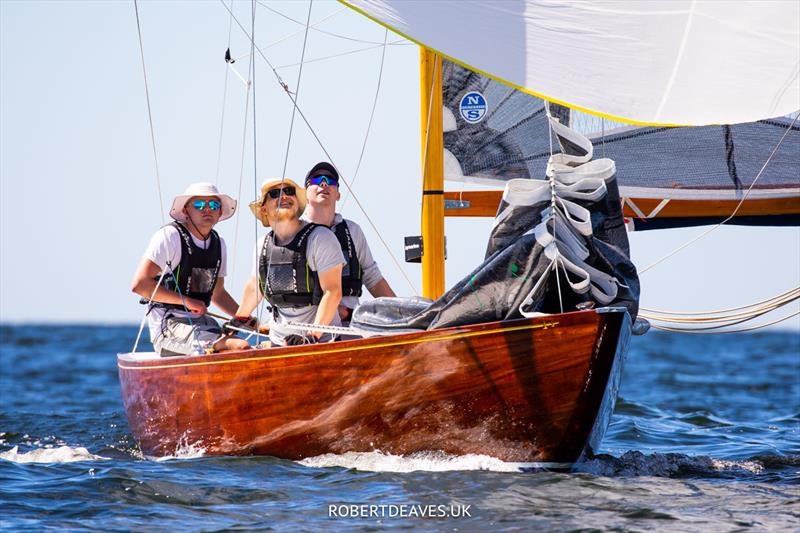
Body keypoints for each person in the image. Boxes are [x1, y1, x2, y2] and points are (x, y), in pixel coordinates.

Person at [131, 183, 251, 356]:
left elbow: (217, 294)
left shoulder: (219, 244)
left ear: (219, 213)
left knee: (258, 345)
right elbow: (139, 285)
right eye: (199, 205)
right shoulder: (170, 237)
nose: (207, 209)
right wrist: (188, 301)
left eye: (214, 205)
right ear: (186, 211)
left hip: (202, 323)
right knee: (238, 346)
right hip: (168, 326)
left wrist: (245, 318)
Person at [236, 178, 345, 346]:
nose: (284, 196)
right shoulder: (262, 245)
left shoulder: (321, 238)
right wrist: (238, 320)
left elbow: (333, 291)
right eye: (274, 194)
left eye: (289, 192)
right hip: (278, 341)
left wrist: (312, 336)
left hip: (321, 343)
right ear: (263, 209)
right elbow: (254, 287)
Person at [302, 162, 396, 324]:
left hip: (349, 326)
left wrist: (401, 313)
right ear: (305, 193)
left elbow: (372, 278)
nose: (324, 183)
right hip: (307, 325)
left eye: (331, 181)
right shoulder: (296, 232)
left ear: (338, 194)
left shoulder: (352, 231)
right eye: (316, 180)